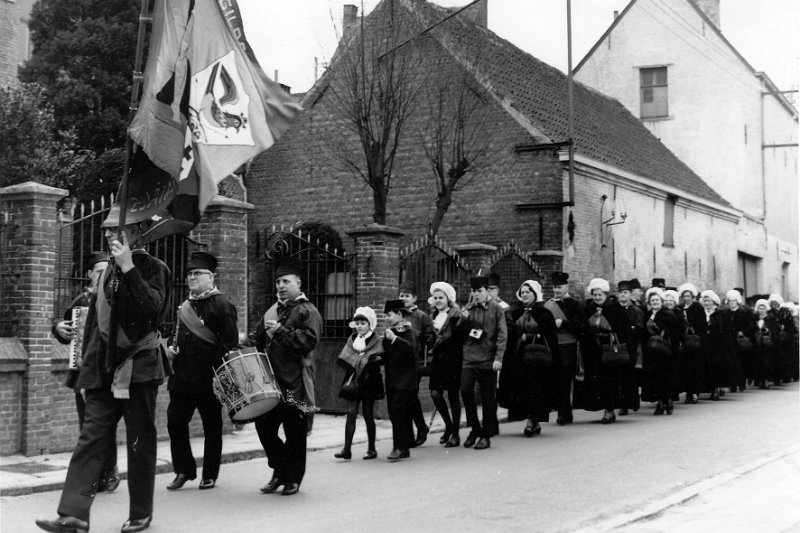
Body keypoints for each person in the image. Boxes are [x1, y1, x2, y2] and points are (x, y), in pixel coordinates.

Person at [36, 203, 171, 533]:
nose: (108, 234)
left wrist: (129, 269)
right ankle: (74, 515)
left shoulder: (154, 268)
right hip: (102, 370)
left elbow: (151, 312)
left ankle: (140, 512)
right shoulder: (105, 271)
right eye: (108, 230)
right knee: (91, 439)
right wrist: (65, 336)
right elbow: (94, 322)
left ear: (136, 233)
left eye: (115, 229)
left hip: (138, 368)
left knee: (140, 443)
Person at [165, 252, 238, 491]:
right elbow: (174, 335)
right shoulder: (185, 305)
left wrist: (218, 372)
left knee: (212, 427)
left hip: (209, 379)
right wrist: (171, 349)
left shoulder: (222, 305)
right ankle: (184, 469)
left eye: (197, 273)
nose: (191, 278)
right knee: (175, 423)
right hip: (182, 378)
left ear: (211, 276)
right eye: (189, 274)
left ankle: (210, 474)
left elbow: (230, 344)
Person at [52, 251, 119, 494]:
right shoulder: (80, 302)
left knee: (104, 424)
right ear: (89, 274)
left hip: (108, 372)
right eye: (99, 272)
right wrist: (59, 328)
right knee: (87, 426)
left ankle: (109, 470)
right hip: (82, 372)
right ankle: (95, 476)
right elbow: (63, 329)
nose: (104, 277)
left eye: (107, 272)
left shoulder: (115, 299)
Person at [255, 257, 322, 496]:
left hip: (295, 383)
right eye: (278, 281)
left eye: (286, 281)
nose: (281, 285)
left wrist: (281, 332)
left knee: (295, 433)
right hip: (271, 384)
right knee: (264, 427)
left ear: (298, 283)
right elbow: (257, 336)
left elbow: (309, 341)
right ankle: (281, 469)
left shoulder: (308, 310)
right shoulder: (274, 310)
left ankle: (292, 478)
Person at [575, 278, 638, 424]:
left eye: (600, 295)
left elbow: (624, 332)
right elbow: (582, 328)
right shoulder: (588, 309)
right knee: (598, 381)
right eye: (595, 295)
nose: (597, 298)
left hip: (610, 351)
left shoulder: (615, 309)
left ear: (606, 294)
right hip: (593, 351)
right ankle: (602, 406)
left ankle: (609, 410)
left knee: (611, 381)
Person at [504, 280, 560, 437]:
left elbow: (550, 336)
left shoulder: (543, 313)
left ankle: (533, 421)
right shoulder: (516, 312)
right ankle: (531, 419)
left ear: (535, 294)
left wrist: (530, 336)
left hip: (538, 359)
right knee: (523, 389)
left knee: (536, 389)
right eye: (522, 292)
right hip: (520, 358)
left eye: (528, 292)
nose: (524, 295)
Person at [459, 275, 507, 450]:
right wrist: (462, 319)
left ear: (487, 291)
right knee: (465, 391)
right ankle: (475, 428)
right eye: (473, 291)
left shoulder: (496, 309)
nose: (476, 294)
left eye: (479, 291)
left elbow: (502, 335)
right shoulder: (468, 309)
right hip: (469, 359)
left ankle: (486, 435)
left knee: (487, 398)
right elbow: (460, 333)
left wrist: (498, 358)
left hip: (488, 360)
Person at [334, 307, 384, 461]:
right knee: (351, 413)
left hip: (369, 380)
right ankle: (346, 449)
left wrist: (369, 359)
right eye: (357, 323)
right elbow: (345, 356)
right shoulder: (352, 339)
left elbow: (379, 356)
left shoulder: (376, 340)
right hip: (354, 379)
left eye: (363, 323)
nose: (359, 326)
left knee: (368, 414)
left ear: (370, 324)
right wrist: (357, 360)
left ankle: (372, 449)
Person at [397, 280, 435, 447]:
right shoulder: (397, 314)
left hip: (415, 361)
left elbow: (430, 336)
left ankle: (420, 427)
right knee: (405, 396)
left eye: (407, 296)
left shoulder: (421, 316)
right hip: (399, 361)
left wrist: (424, 340)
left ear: (415, 298)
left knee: (411, 395)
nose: (404, 298)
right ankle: (413, 431)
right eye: (401, 295)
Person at [542, 271, 583, 425]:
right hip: (553, 347)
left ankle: (564, 412)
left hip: (569, 346)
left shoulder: (575, 304)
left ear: (566, 286)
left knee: (566, 380)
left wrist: (564, 323)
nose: (557, 290)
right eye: (555, 287)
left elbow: (581, 326)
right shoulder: (548, 304)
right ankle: (561, 409)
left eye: (559, 287)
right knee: (556, 379)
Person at [382, 299, 419, 461]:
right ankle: (406, 444)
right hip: (392, 379)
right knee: (394, 412)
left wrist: (395, 339)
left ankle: (399, 447)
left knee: (398, 411)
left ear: (399, 314)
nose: (387, 318)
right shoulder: (390, 331)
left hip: (405, 379)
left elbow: (411, 350)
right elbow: (385, 353)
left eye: (389, 315)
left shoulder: (408, 331)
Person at [427, 282, 463, 447]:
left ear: (449, 299)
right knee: (435, 394)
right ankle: (448, 425)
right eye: (436, 298)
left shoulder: (456, 315)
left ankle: (455, 433)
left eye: (441, 297)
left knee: (454, 396)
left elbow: (459, 337)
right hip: (438, 361)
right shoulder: (433, 316)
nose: (438, 300)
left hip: (453, 359)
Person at [640, 288, 683, 415]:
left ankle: (668, 400)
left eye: (657, 300)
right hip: (651, 352)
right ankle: (659, 402)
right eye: (652, 300)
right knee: (654, 378)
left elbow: (675, 333)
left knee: (666, 377)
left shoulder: (667, 314)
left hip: (665, 352)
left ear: (661, 301)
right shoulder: (647, 315)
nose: (654, 302)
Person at [699, 290, 741, 401]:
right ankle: (710, 387)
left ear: (713, 302)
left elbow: (726, 330)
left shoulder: (720, 314)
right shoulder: (701, 313)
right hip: (705, 344)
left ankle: (716, 389)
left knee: (717, 367)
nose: (706, 303)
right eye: (705, 301)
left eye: (708, 301)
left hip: (717, 344)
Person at [617, 280, 645, 416]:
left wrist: (629, 330)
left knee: (629, 375)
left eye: (625, 293)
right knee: (619, 376)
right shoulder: (614, 309)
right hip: (616, 346)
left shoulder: (636, 310)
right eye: (621, 293)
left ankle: (630, 403)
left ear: (629, 294)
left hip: (630, 346)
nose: (623, 295)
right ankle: (621, 403)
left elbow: (639, 328)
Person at [677, 283, 708, 404]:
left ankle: (695, 392)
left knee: (695, 368)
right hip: (685, 343)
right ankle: (689, 392)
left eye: (688, 295)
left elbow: (702, 325)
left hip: (695, 343)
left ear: (692, 296)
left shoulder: (697, 307)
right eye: (684, 296)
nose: (686, 298)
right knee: (686, 368)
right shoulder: (680, 308)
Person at [726, 289, 755, 392]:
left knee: (743, 362)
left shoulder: (744, 312)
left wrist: (742, 331)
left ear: (737, 301)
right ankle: (733, 384)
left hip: (741, 341)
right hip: (730, 340)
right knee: (732, 362)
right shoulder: (726, 313)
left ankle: (742, 383)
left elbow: (751, 326)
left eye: (733, 300)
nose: (731, 302)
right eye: (730, 300)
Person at [753, 299, 780, 389]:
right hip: (758, 344)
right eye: (760, 308)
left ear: (766, 309)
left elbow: (775, 331)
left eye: (763, 308)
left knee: (767, 363)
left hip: (767, 345)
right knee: (759, 363)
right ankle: (761, 380)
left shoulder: (771, 319)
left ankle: (766, 380)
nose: (761, 310)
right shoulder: (755, 319)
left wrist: (769, 332)